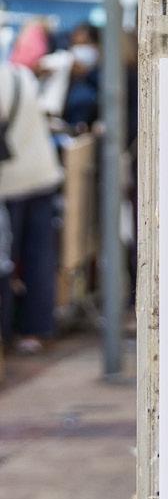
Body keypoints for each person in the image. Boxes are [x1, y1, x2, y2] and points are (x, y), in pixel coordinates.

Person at [0, 52, 64, 353]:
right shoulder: (20, 74)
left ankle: (6, 332)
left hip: (11, 183)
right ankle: (37, 329)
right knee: (40, 255)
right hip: (42, 173)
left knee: (6, 259)